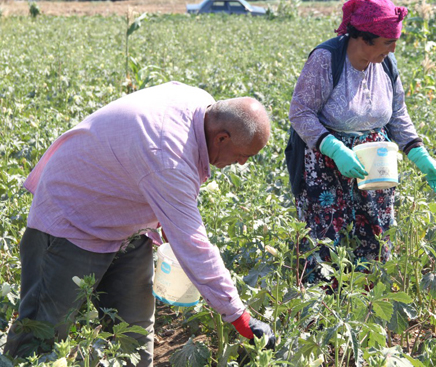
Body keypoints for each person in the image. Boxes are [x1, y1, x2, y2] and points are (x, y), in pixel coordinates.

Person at [4, 81, 275, 365]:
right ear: (221, 138)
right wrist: (240, 318)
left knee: (133, 335)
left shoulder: (201, 104)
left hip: (129, 225)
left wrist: (168, 219)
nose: (242, 163)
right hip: (72, 220)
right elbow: (194, 246)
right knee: (40, 336)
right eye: (243, 155)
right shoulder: (168, 156)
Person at [286, 0, 436, 283]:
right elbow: (300, 112)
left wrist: (419, 154)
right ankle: (319, 311)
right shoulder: (326, 60)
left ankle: (367, 304)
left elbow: (397, 114)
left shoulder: (386, 65)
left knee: (376, 232)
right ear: (363, 39)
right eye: (387, 43)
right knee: (325, 237)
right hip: (327, 162)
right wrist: (334, 148)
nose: (391, 50)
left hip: (376, 160)